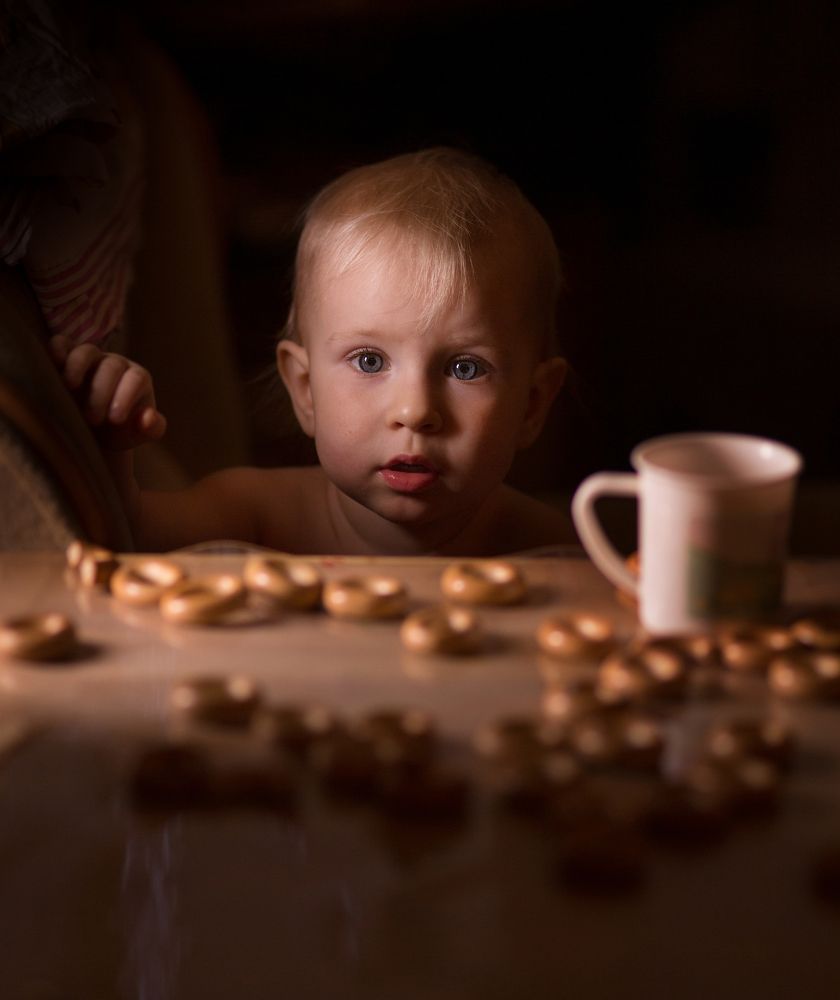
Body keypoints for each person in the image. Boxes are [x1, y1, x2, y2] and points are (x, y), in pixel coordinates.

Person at [49, 147, 575, 556]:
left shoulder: (557, 550)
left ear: (531, 406)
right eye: (369, 360)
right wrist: (110, 445)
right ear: (304, 389)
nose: (415, 411)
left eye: (465, 367)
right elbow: (126, 537)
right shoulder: (256, 516)